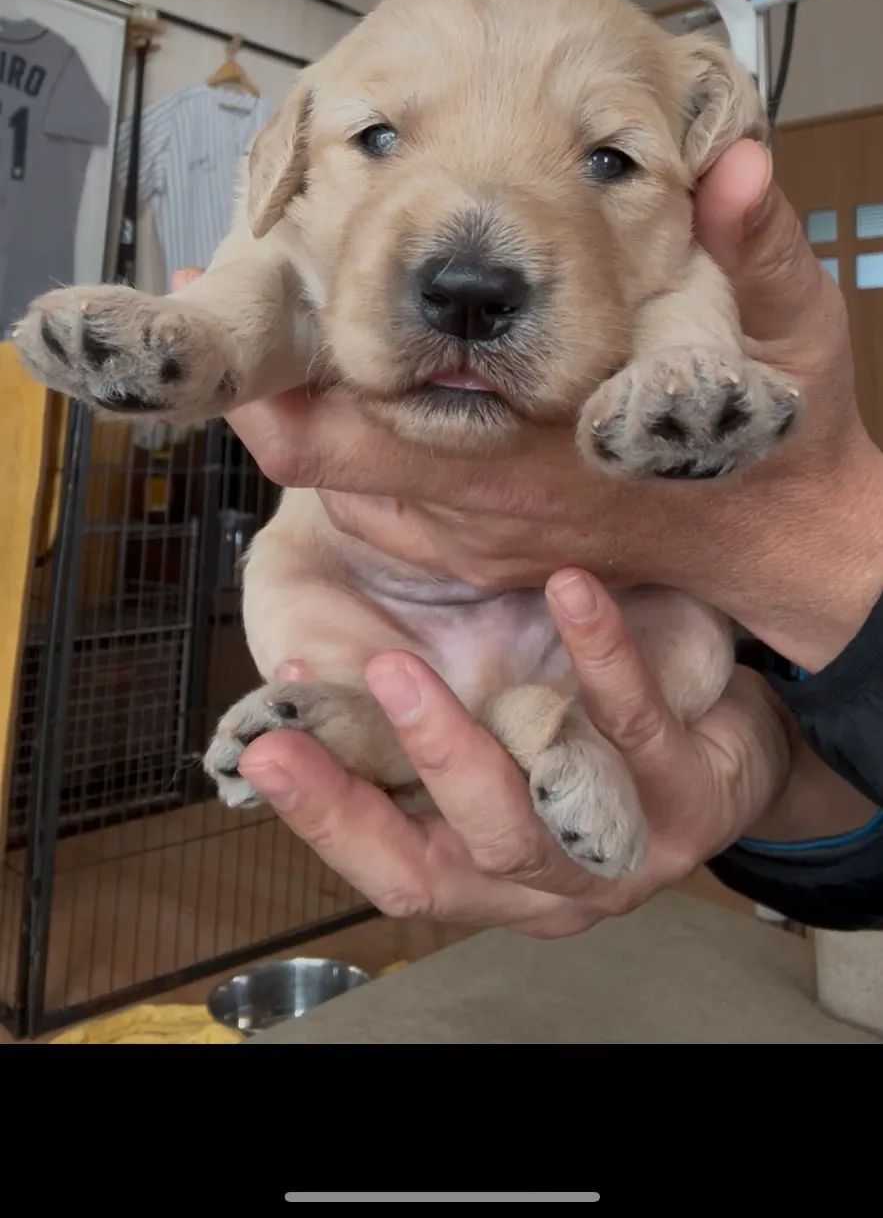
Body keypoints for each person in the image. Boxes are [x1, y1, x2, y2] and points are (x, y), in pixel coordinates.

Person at [175, 140, 883, 935]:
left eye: (605, 159)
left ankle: (538, 724)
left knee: (686, 632)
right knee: (287, 568)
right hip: (372, 604)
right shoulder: (314, 209)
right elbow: (271, 268)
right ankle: (368, 723)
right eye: (379, 140)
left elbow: (683, 296)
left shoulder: (657, 256)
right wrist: (765, 756)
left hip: (603, 640)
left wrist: (774, 534)